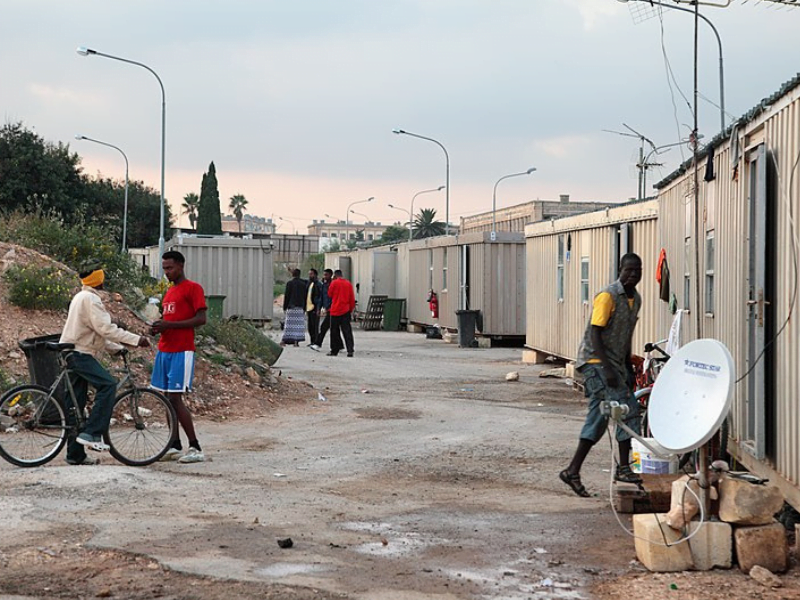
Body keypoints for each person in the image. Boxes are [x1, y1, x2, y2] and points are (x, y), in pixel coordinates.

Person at [559, 253, 644, 497]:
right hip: (596, 362)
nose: (633, 275)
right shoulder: (608, 296)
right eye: (629, 270)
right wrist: (607, 369)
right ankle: (624, 468)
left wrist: (627, 367)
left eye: (637, 271)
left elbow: (626, 335)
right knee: (628, 409)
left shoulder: (635, 299)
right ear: (620, 270)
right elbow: (595, 333)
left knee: (598, 420)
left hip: (614, 363)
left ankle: (572, 471)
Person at [60, 267, 150, 465]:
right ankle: (92, 433)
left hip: (71, 352)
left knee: (77, 404)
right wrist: (136, 339)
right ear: (99, 282)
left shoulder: (80, 297)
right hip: (80, 354)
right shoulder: (92, 300)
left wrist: (116, 349)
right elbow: (106, 328)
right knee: (108, 385)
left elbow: (94, 331)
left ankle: (75, 455)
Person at [149, 251, 207, 464]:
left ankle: (195, 446)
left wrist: (169, 325)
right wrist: (159, 328)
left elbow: (201, 319)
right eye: (164, 268)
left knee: (175, 397)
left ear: (181, 266)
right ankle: (174, 444)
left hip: (182, 350)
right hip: (165, 349)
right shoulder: (169, 293)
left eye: (170, 268)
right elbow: (169, 319)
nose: (167, 272)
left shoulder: (193, 288)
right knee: (165, 398)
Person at [327, 269, 356, 357]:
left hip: (335, 310)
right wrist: (350, 309)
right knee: (347, 331)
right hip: (345, 310)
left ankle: (334, 350)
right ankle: (350, 350)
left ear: (335, 276)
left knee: (334, 332)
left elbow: (329, 294)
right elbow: (352, 298)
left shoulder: (334, 283)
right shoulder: (348, 284)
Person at [281, 269, 307, 347]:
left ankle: (284, 340)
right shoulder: (303, 284)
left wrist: (285, 307)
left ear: (293, 275)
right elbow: (305, 297)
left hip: (291, 307)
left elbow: (287, 296)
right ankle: (296, 341)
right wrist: (304, 307)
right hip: (300, 307)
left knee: (289, 325)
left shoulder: (290, 283)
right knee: (298, 325)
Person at [310, 268, 333, 351]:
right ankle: (339, 345)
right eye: (324, 275)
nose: (324, 276)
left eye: (326, 275)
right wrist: (319, 308)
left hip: (332, 309)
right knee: (333, 328)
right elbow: (321, 298)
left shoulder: (333, 285)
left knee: (324, 327)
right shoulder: (324, 285)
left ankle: (317, 343)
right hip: (328, 309)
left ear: (331, 275)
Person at [305, 268, 323, 347]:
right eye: (309, 274)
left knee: (315, 326)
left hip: (315, 308)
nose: (310, 275)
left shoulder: (318, 284)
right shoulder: (309, 283)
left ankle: (316, 342)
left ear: (315, 275)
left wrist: (318, 308)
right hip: (309, 308)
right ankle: (312, 341)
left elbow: (320, 297)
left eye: (311, 274)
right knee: (310, 327)